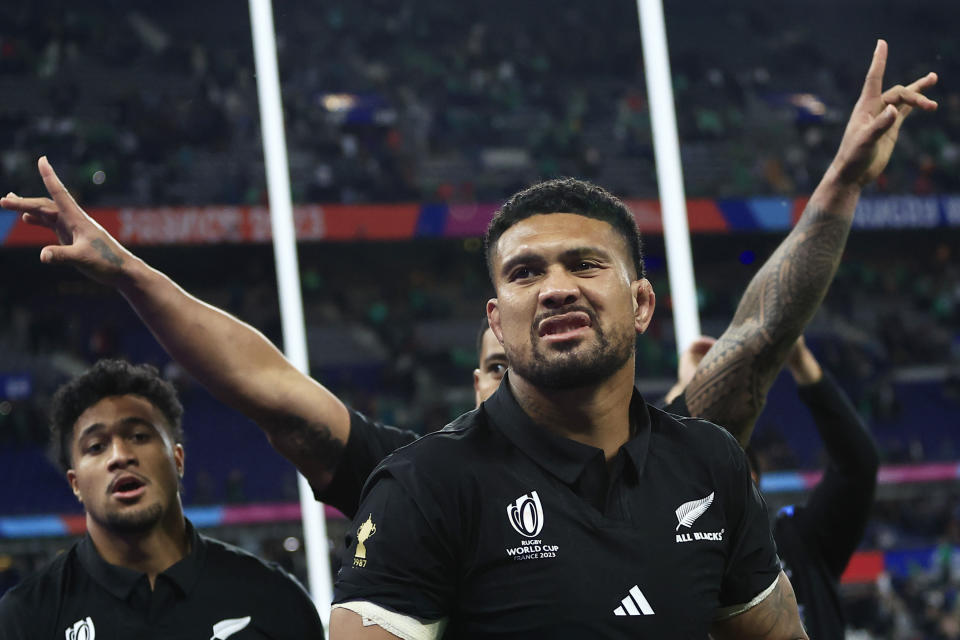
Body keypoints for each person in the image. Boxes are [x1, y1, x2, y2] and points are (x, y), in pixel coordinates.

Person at [0, 360, 324, 639]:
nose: (121, 456)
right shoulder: (24, 619)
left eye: (139, 436)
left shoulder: (274, 598)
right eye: (96, 446)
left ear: (178, 459)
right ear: (75, 484)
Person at [669, 336, 880, 637]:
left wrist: (801, 362)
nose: (719, 477)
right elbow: (652, 470)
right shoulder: (676, 556)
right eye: (706, 470)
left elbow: (858, 465)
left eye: (734, 464)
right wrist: (686, 390)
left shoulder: (800, 538)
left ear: (752, 477)